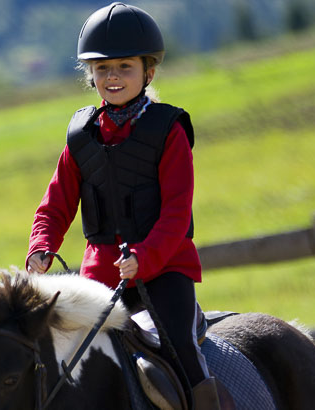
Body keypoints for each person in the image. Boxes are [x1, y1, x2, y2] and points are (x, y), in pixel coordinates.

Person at [26, 3, 222, 409]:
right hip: (99, 277)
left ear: (147, 72)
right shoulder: (80, 137)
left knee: (182, 351)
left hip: (165, 270)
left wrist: (145, 259)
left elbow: (176, 214)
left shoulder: (169, 131)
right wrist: (41, 247)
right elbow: (55, 205)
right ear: (91, 76)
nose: (112, 77)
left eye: (124, 67)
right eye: (102, 69)